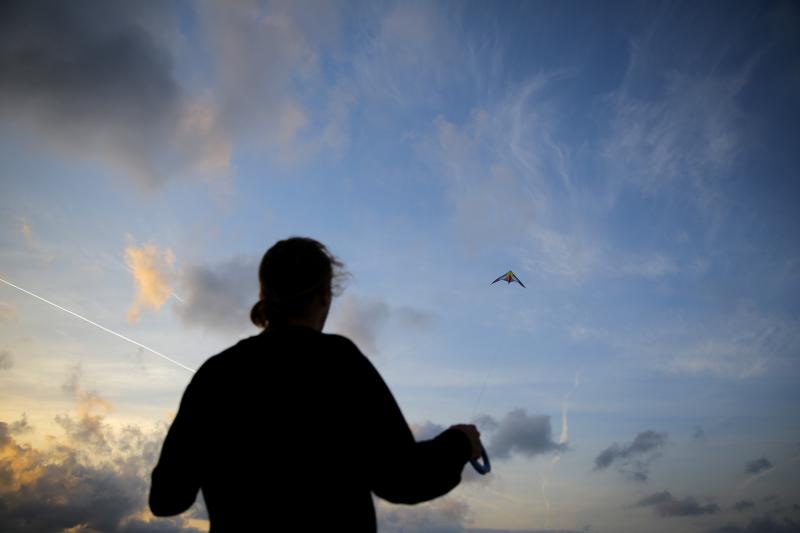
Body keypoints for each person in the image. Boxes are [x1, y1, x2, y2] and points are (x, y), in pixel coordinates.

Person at [149, 236, 484, 531]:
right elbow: (403, 480)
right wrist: (460, 442)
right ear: (324, 296)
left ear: (264, 293)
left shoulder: (216, 374)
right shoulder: (340, 362)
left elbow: (167, 499)